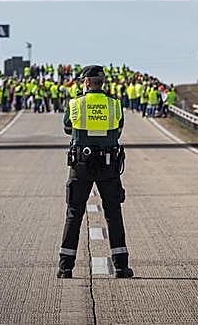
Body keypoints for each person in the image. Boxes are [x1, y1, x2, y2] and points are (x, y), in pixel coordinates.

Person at [58, 65, 133, 279]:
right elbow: (118, 130)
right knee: (113, 213)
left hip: (81, 164)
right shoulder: (114, 104)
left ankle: (65, 268)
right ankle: (120, 266)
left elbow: (67, 128)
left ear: (87, 83)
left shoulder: (76, 104)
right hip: (108, 164)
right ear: (102, 82)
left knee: (74, 213)